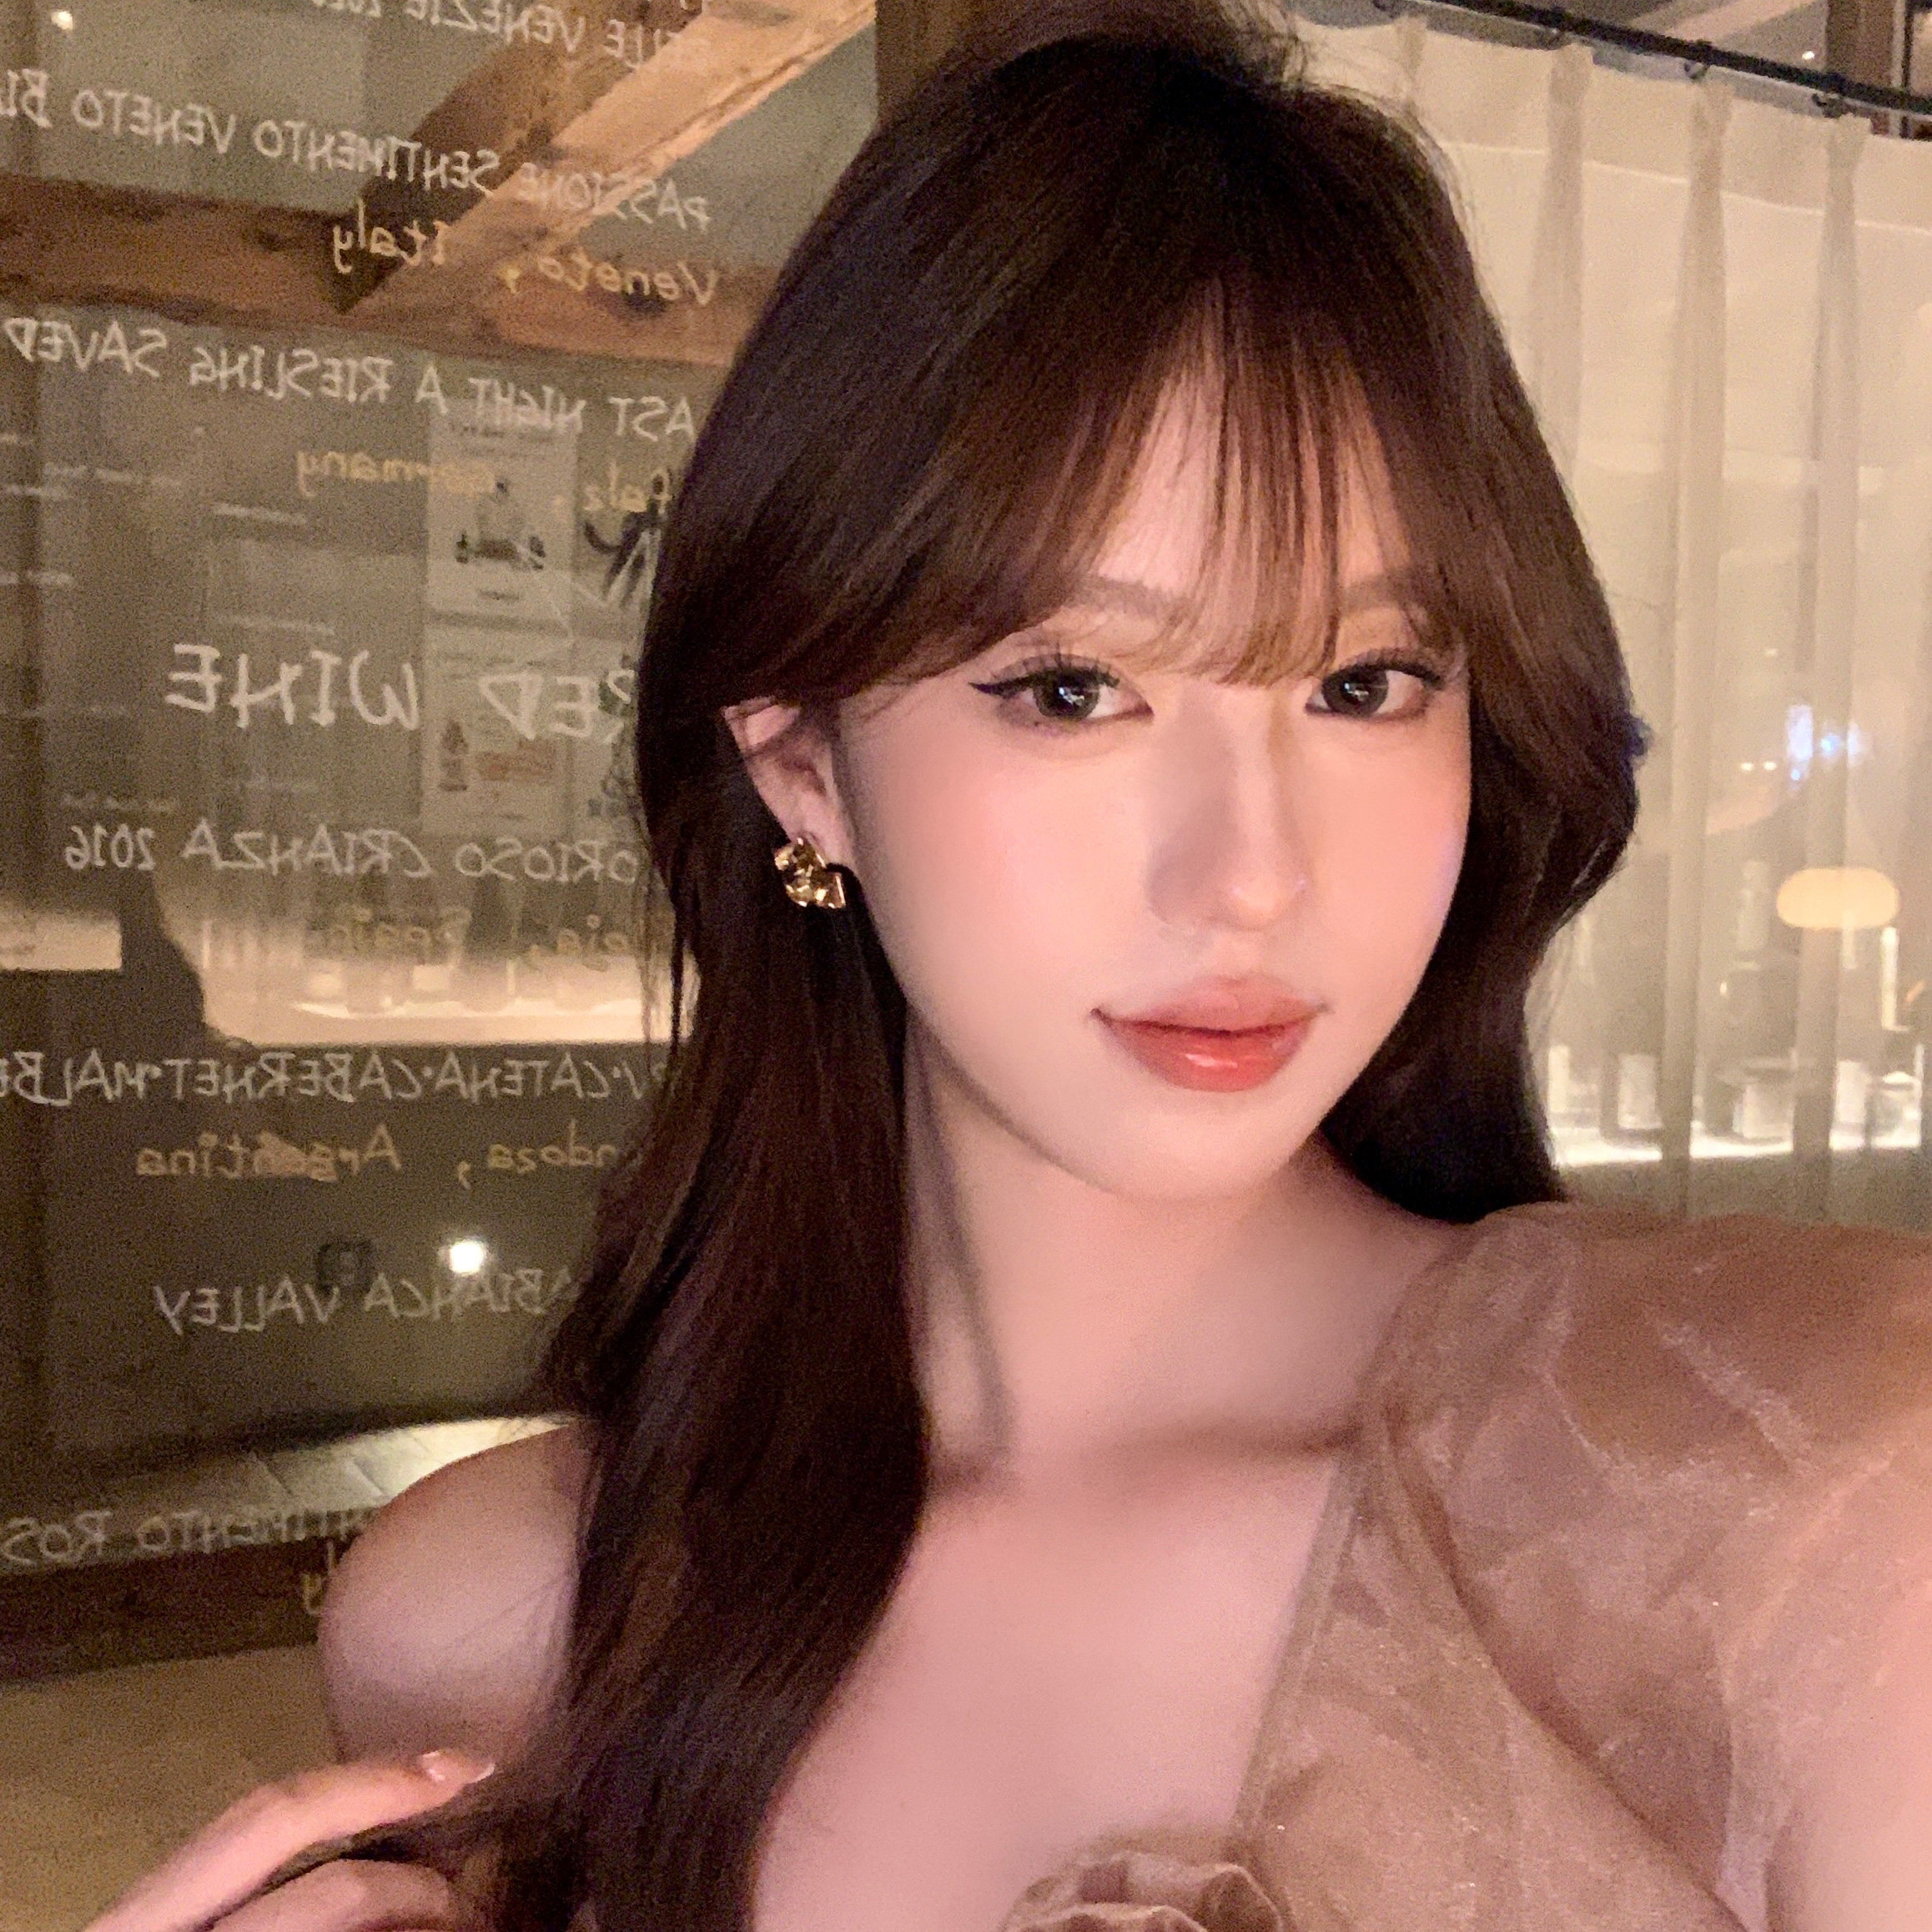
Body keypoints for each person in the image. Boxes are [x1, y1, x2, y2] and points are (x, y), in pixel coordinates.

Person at [91, 3, 1932, 1929]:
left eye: (1366, 682)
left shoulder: (1786, 1511)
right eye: (1071, 689)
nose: (1251, 875)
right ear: (805, 770)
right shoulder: (497, 1632)